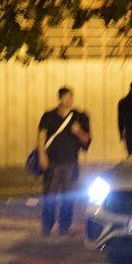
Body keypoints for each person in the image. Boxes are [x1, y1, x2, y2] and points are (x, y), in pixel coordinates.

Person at [35, 87, 91, 236]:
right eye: (66, 97)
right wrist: (42, 155)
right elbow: (41, 136)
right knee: (49, 196)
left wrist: (78, 131)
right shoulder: (48, 116)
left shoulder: (79, 116)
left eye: (71, 97)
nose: (69, 100)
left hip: (71, 162)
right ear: (59, 98)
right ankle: (47, 226)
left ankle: (64, 227)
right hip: (52, 162)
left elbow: (87, 139)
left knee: (68, 196)